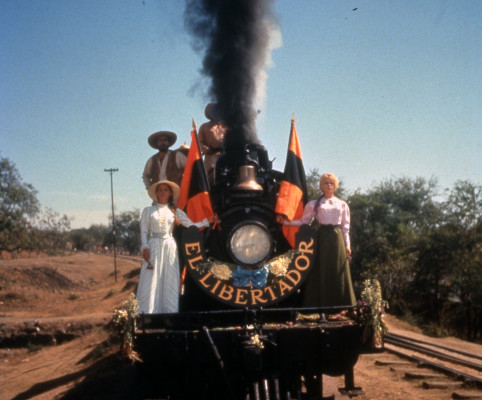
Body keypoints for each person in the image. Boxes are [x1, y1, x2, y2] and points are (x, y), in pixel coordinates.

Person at [277, 172, 356, 307]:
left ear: (335, 186)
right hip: (322, 238)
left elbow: (345, 227)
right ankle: (321, 307)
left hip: (337, 240)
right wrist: (286, 222)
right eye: (326, 183)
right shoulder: (315, 204)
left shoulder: (342, 204)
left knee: (338, 271)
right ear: (322, 185)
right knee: (322, 270)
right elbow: (304, 221)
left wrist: (347, 245)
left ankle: (342, 306)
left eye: (331, 183)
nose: (329, 185)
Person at [137, 180, 214, 314]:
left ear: (170, 193)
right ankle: (148, 312)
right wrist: (145, 247)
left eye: (165, 190)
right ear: (156, 193)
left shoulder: (175, 212)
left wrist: (208, 222)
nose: (162, 192)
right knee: (152, 277)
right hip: (154, 244)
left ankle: (169, 311)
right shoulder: (148, 211)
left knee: (169, 276)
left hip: (169, 246)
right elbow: (144, 231)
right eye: (160, 190)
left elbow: (191, 225)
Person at [198, 103, 226, 182]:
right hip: (210, 157)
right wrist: (204, 148)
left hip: (224, 156)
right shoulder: (204, 126)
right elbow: (198, 142)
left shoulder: (226, 127)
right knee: (209, 179)